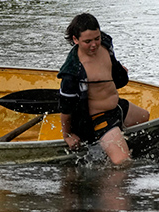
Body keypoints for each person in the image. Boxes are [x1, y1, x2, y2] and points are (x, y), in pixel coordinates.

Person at [58, 13, 149, 165]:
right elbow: (65, 109)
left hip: (116, 106)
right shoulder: (72, 72)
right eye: (88, 41)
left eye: (96, 38)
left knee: (144, 117)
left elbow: (113, 66)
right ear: (75, 40)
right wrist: (67, 135)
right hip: (99, 119)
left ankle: (110, 149)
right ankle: (109, 172)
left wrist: (119, 71)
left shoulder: (106, 43)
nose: (94, 44)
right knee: (123, 163)